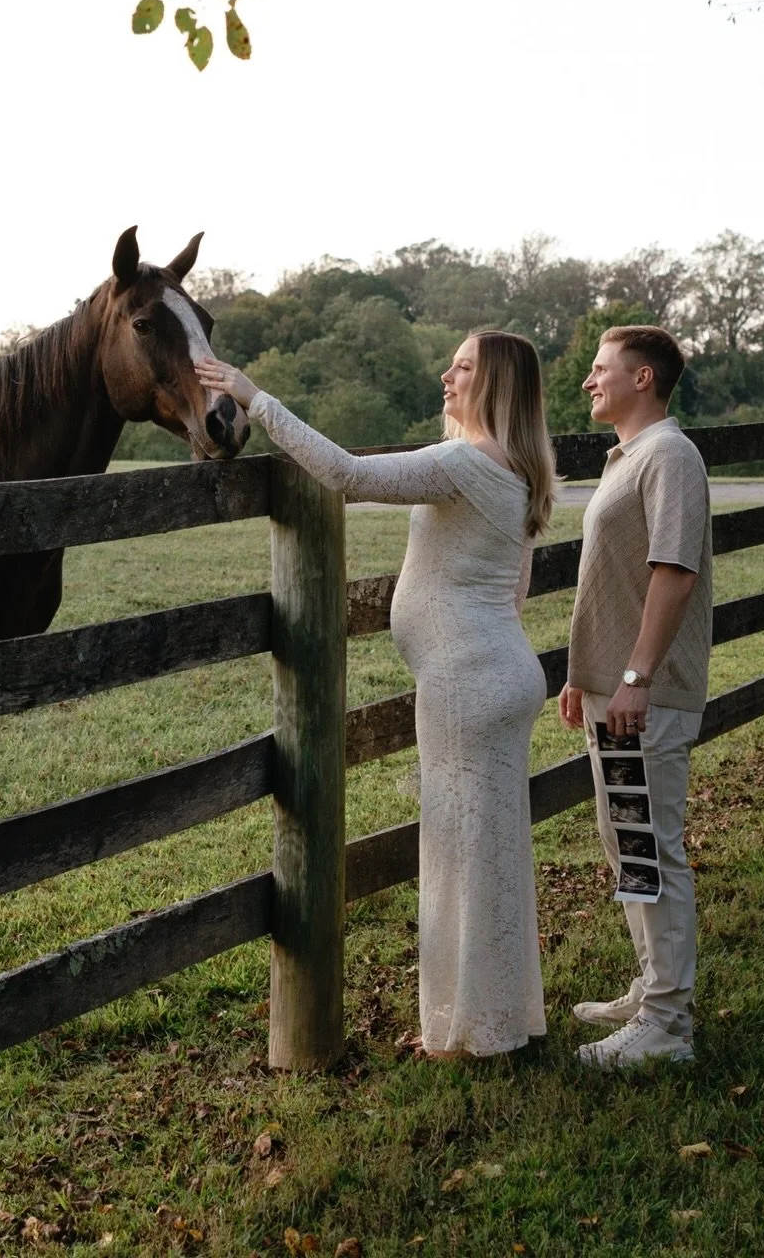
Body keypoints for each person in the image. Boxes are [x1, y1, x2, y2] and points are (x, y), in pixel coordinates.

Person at [196, 331, 554, 1059]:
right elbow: (514, 590)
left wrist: (252, 396)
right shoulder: (519, 468)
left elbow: (346, 473)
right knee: (492, 856)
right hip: (500, 673)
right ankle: (495, 1021)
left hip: (469, 684)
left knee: (460, 856)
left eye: (463, 368)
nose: (446, 375)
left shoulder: (460, 463)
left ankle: (467, 1033)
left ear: (495, 386)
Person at [559, 324, 711, 1070]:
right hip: (613, 690)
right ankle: (654, 990)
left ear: (643, 378)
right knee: (629, 844)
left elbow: (672, 571)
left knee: (650, 846)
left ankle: (667, 1026)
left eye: (600, 369)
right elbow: (612, 580)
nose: (589, 381)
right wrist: (583, 673)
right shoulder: (631, 457)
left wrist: (635, 677)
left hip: (644, 695)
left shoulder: (670, 456)